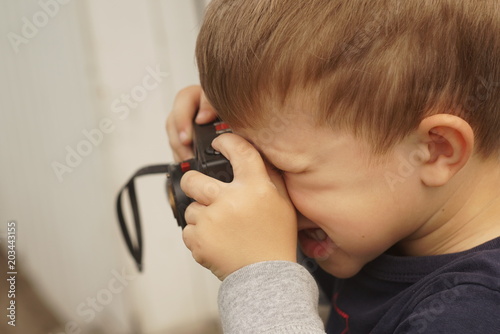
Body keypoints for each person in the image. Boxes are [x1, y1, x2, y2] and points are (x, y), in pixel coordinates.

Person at [166, 0, 500, 333]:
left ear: (435, 149)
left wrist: (260, 276)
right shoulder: (389, 219)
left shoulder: (472, 313)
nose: (265, 194)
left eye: (284, 168)